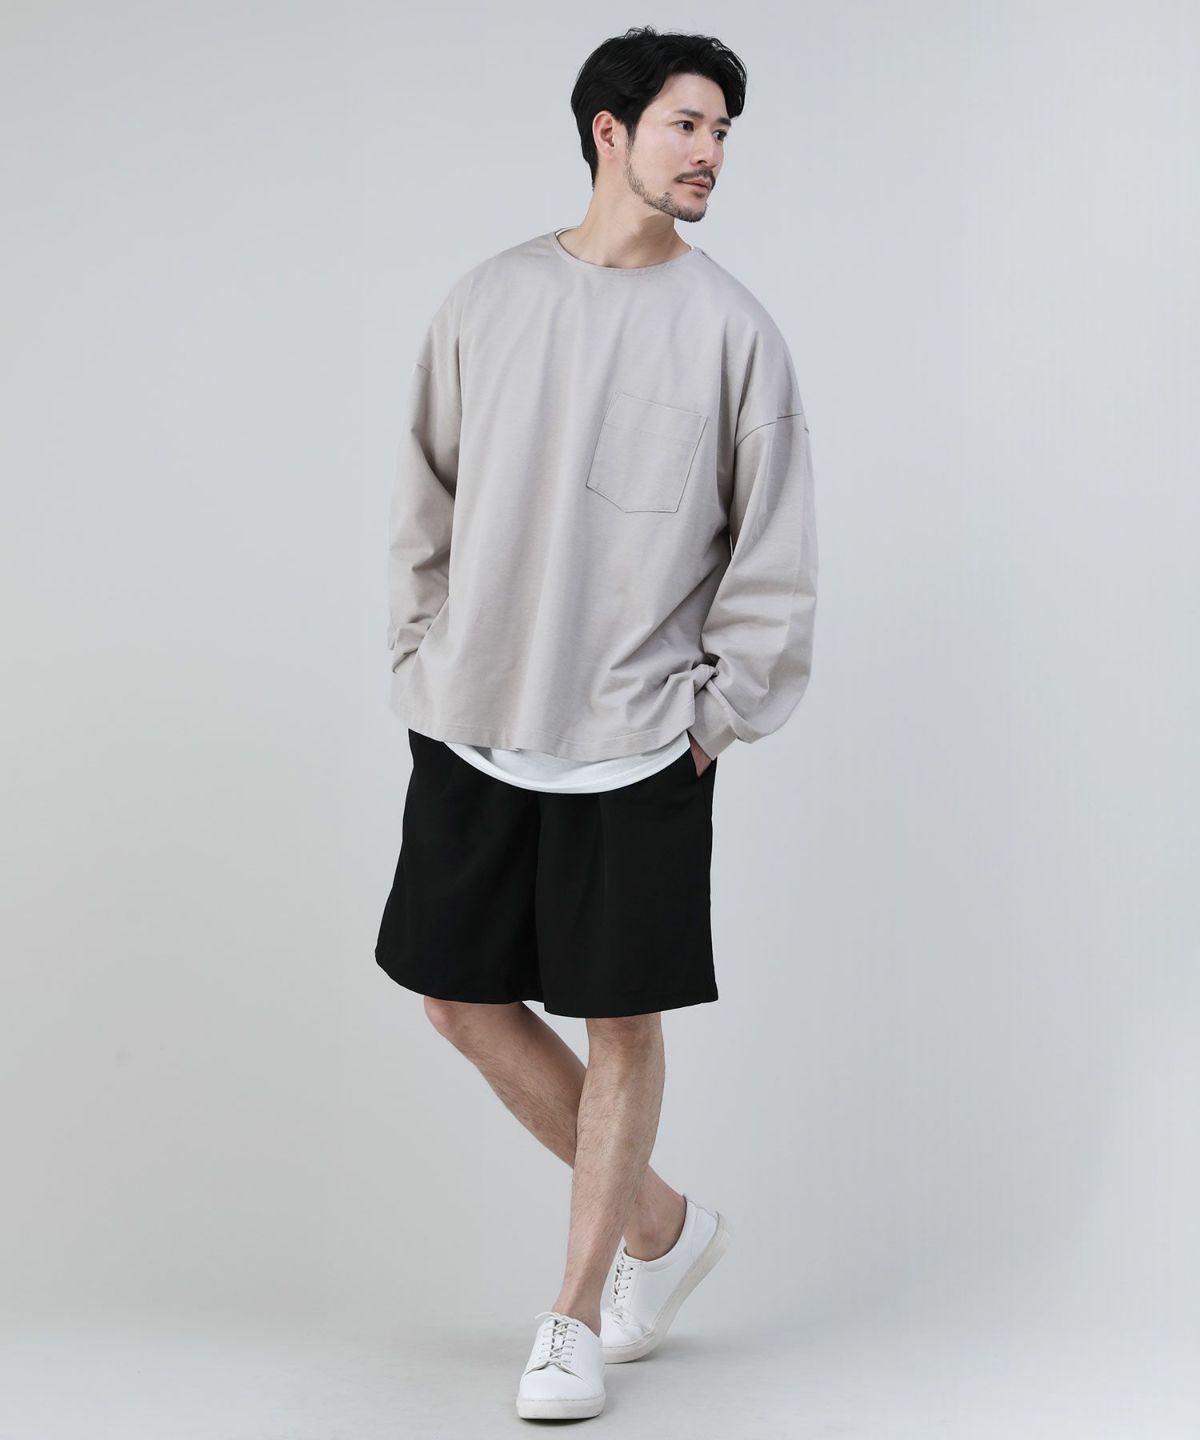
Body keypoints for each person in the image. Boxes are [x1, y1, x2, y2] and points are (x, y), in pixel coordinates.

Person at [374, 24, 818, 1423]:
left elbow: (774, 554)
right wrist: (421, 659)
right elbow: (424, 498)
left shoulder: (733, 329)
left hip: (641, 736)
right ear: (608, 132)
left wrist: (716, 718)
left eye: (725, 131)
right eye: (690, 123)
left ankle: (571, 1315)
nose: (713, 153)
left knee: (620, 1019)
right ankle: (663, 1225)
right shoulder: (490, 298)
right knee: (455, 996)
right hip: (476, 715)